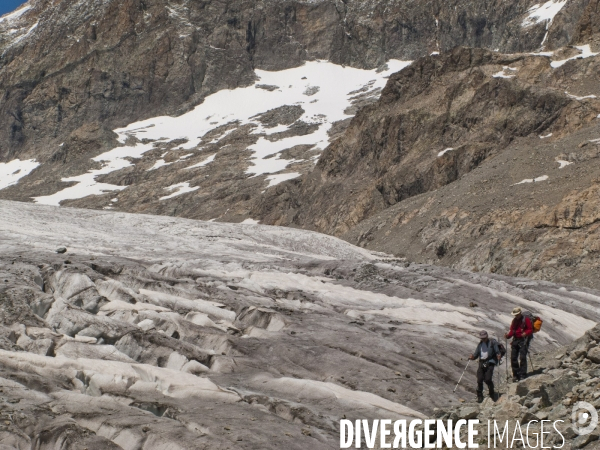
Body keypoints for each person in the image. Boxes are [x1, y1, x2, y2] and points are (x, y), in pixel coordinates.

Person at [469, 330, 502, 403]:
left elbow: (497, 351)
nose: (483, 339)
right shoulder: (480, 344)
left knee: (487, 379)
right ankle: (480, 396)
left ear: (487, 336)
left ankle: (491, 393)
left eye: (484, 338)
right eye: (482, 338)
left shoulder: (492, 343)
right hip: (481, 363)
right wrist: (472, 357)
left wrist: (498, 355)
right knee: (479, 379)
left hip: (490, 362)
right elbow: (476, 354)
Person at [505, 307, 533, 382]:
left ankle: (522, 374)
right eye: (515, 315)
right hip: (515, 340)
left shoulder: (526, 319)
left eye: (517, 314)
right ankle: (515, 374)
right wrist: (508, 336)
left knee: (522, 357)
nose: (516, 316)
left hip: (523, 340)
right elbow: (512, 331)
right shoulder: (514, 321)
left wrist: (525, 333)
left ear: (520, 313)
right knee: (513, 357)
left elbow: (530, 329)